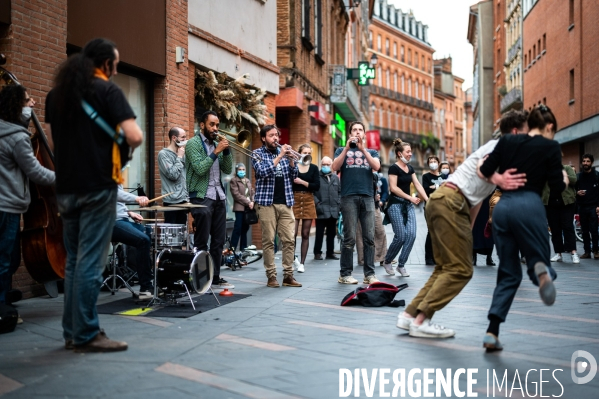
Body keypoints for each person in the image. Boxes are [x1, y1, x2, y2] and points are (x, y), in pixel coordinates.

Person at [46, 38, 143, 352]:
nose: (115, 71)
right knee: (91, 262)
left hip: (65, 188)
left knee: (74, 261)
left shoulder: (57, 95)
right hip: (98, 186)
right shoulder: (108, 91)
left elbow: (55, 143)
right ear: (106, 65)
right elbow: (135, 136)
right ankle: (87, 333)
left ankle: (72, 332)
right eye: (115, 64)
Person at [395, 113, 527, 338]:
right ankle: (422, 320)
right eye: (526, 130)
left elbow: (476, 198)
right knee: (462, 270)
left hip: (444, 200)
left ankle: (409, 315)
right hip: (451, 202)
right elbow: (483, 168)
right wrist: (500, 181)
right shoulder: (501, 146)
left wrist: (469, 229)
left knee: (445, 267)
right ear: (516, 131)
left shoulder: (499, 147)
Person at [479, 105, 566, 351]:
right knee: (539, 255)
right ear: (549, 127)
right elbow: (558, 187)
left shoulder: (507, 141)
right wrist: (566, 178)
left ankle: (492, 332)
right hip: (529, 205)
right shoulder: (550, 146)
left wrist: (499, 179)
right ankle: (540, 271)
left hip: (503, 208)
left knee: (508, 273)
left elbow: (486, 170)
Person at [0, 85, 55, 314]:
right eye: (27, 99)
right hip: (7, 205)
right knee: (6, 259)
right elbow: (36, 172)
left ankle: (5, 299)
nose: (32, 103)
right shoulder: (16, 136)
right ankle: (2, 307)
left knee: (7, 258)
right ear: (16, 105)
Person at [185, 110, 234, 290]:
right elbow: (199, 169)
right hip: (201, 196)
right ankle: (199, 277)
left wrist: (226, 151)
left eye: (217, 125)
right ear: (202, 125)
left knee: (218, 241)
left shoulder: (217, 144)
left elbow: (227, 170)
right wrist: (216, 151)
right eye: (212, 124)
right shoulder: (192, 144)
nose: (215, 128)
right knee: (201, 240)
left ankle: (215, 277)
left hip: (219, 196)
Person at [252, 125, 302, 288]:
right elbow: (262, 172)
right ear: (263, 138)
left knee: (289, 240)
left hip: (286, 202)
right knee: (268, 241)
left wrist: (292, 160)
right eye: (271, 135)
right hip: (267, 203)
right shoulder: (257, 154)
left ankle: (288, 275)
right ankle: (271, 276)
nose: (275, 138)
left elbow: (294, 176)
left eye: (277, 135)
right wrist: (280, 156)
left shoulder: (286, 155)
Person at [332, 121, 381, 285]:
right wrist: (346, 149)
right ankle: (345, 274)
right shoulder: (341, 150)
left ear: (364, 134)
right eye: (355, 130)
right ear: (350, 133)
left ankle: (369, 274)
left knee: (369, 237)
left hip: (367, 196)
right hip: (348, 197)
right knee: (349, 238)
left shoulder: (372, 152)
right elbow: (334, 166)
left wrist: (362, 150)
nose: (358, 132)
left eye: (360, 130)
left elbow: (376, 167)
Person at [381, 139, 429, 277]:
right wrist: (410, 198)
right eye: (407, 152)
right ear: (399, 153)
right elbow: (393, 188)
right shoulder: (393, 168)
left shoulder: (410, 168)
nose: (410, 154)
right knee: (401, 236)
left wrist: (428, 200)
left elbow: (418, 185)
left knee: (412, 235)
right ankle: (388, 260)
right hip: (395, 204)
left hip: (407, 205)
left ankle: (401, 265)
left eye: (410, 152)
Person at [111, 186, 151, 299]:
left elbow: (115, 202)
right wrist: (137, 198)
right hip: (110, 222)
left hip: (121, 219)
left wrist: (129, 212)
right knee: (143, 240)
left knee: (150, 233)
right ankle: (146, 288)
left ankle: (152, 280)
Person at [292, 144, 320, 273]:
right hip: (294, 199)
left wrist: (302, 182)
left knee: (305, 234)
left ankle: (302, 263)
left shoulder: (314, 168)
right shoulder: (293, 166)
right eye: (304, 152)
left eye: (309, 152)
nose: (307, 154)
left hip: (308, 199)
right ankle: (292, 260)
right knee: (291, 234)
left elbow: (316, 186)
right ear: (299, 153)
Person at [544, 163, 578, 263]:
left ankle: (573, 252)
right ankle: (558, 253)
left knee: (568, 226)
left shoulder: (566, 168)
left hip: (566, 203)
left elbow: (574, 180)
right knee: (555, 229)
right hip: (550, 204)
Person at [158, 127, 189, 224]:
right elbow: (173, 175)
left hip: (183, 199)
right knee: (171, 235)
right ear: (174, 138)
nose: (185, 140)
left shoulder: (183, 153)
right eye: (183, 137)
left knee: (183, 234)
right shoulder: (163, 154)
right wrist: (179, 157)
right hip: (172, 201)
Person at [356, 171, 387, 268]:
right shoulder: (358, 175)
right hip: (359, 205)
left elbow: (383, 191)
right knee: (360, 233)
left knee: (380, 231)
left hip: (374, 205)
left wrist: (378, 198)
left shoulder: (376, 176)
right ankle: (363, 259)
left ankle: (382, 258)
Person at [313, 156, 340, 260]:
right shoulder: (317, 177)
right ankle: (317, 253)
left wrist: (339, 204)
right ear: (321, 165)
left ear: (332, 165)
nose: (326, 166)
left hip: (333, 210)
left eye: (328, 164)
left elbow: (340, 192)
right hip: (321, 209)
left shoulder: (335, 178)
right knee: (319, 233)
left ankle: (330, 252)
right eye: (324, 164)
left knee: (331, 233)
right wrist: (317, 204)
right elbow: (312, 192)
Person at [421, 156, 446, 265]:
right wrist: (438, 186)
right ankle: (429, 257)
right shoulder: (426, 176)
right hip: (430, 206)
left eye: (435, 161)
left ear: (438, 163)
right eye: (430, 162)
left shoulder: (443, 175)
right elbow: (426, 190)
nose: (433, 163)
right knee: (431, 231)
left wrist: (434, 187)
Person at [575, 154, 599, 259]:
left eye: (588, 161)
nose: (585, 163)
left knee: (594, 230)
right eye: (584, 161)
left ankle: (596, 251)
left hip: (593, 206)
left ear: (592, 163)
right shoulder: (578, 176)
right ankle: (587, 252)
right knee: (584, 231)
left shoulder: (597, 175)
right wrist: (577, 192)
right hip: (582, 207)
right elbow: (573, 191)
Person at [229, 162, 255, 251]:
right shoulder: (234, 180)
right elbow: (236, 195)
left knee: (245, 228)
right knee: (238, 228)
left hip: (248, 208)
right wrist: (248, 202)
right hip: (240, 208)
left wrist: (253, 201)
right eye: (240, 169)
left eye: (243, 169)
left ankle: (243, 250)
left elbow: (252, 191)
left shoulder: (247, 180)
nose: (241, 171)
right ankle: (232, 250)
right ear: (236, 171)